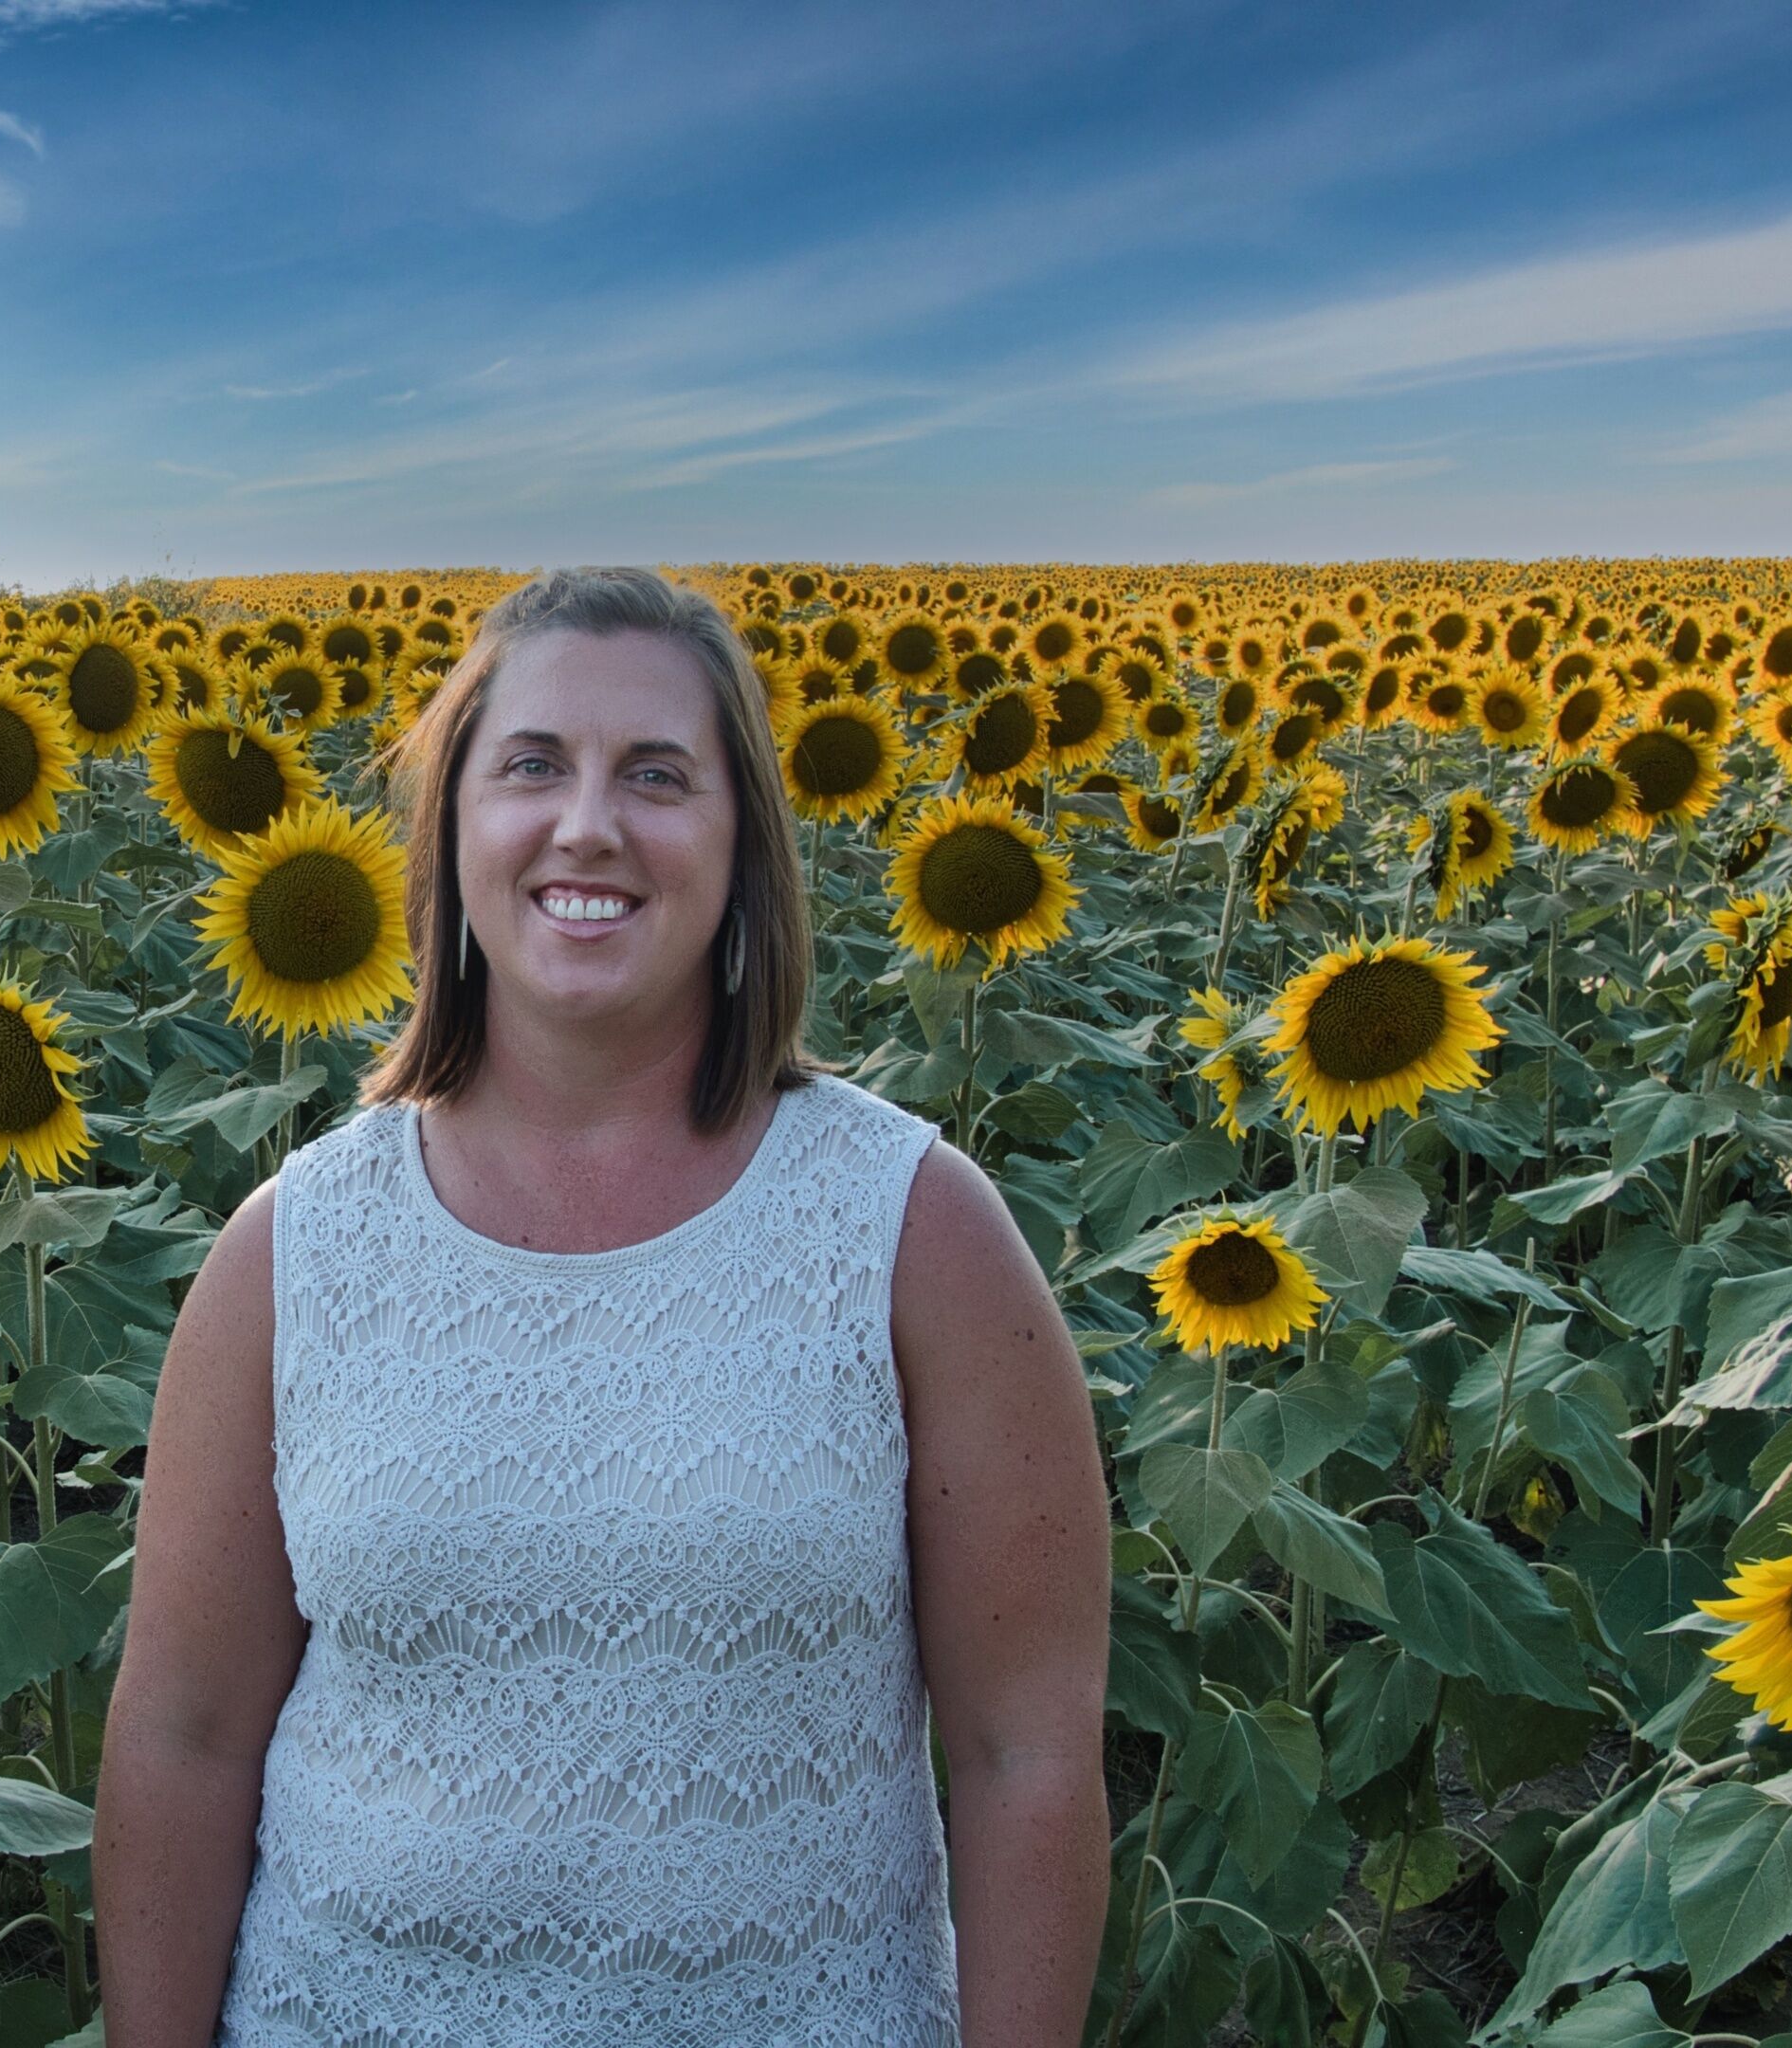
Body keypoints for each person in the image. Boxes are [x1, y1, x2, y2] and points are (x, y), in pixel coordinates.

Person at [94, 566, 1111, 2046]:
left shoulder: (913, 1233)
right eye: (530, 767)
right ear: (449, 834)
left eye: (656, 774)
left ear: (741, 846)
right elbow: (183, 1739)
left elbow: (1026, 1757)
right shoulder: (294, 1249)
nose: (587, 825)